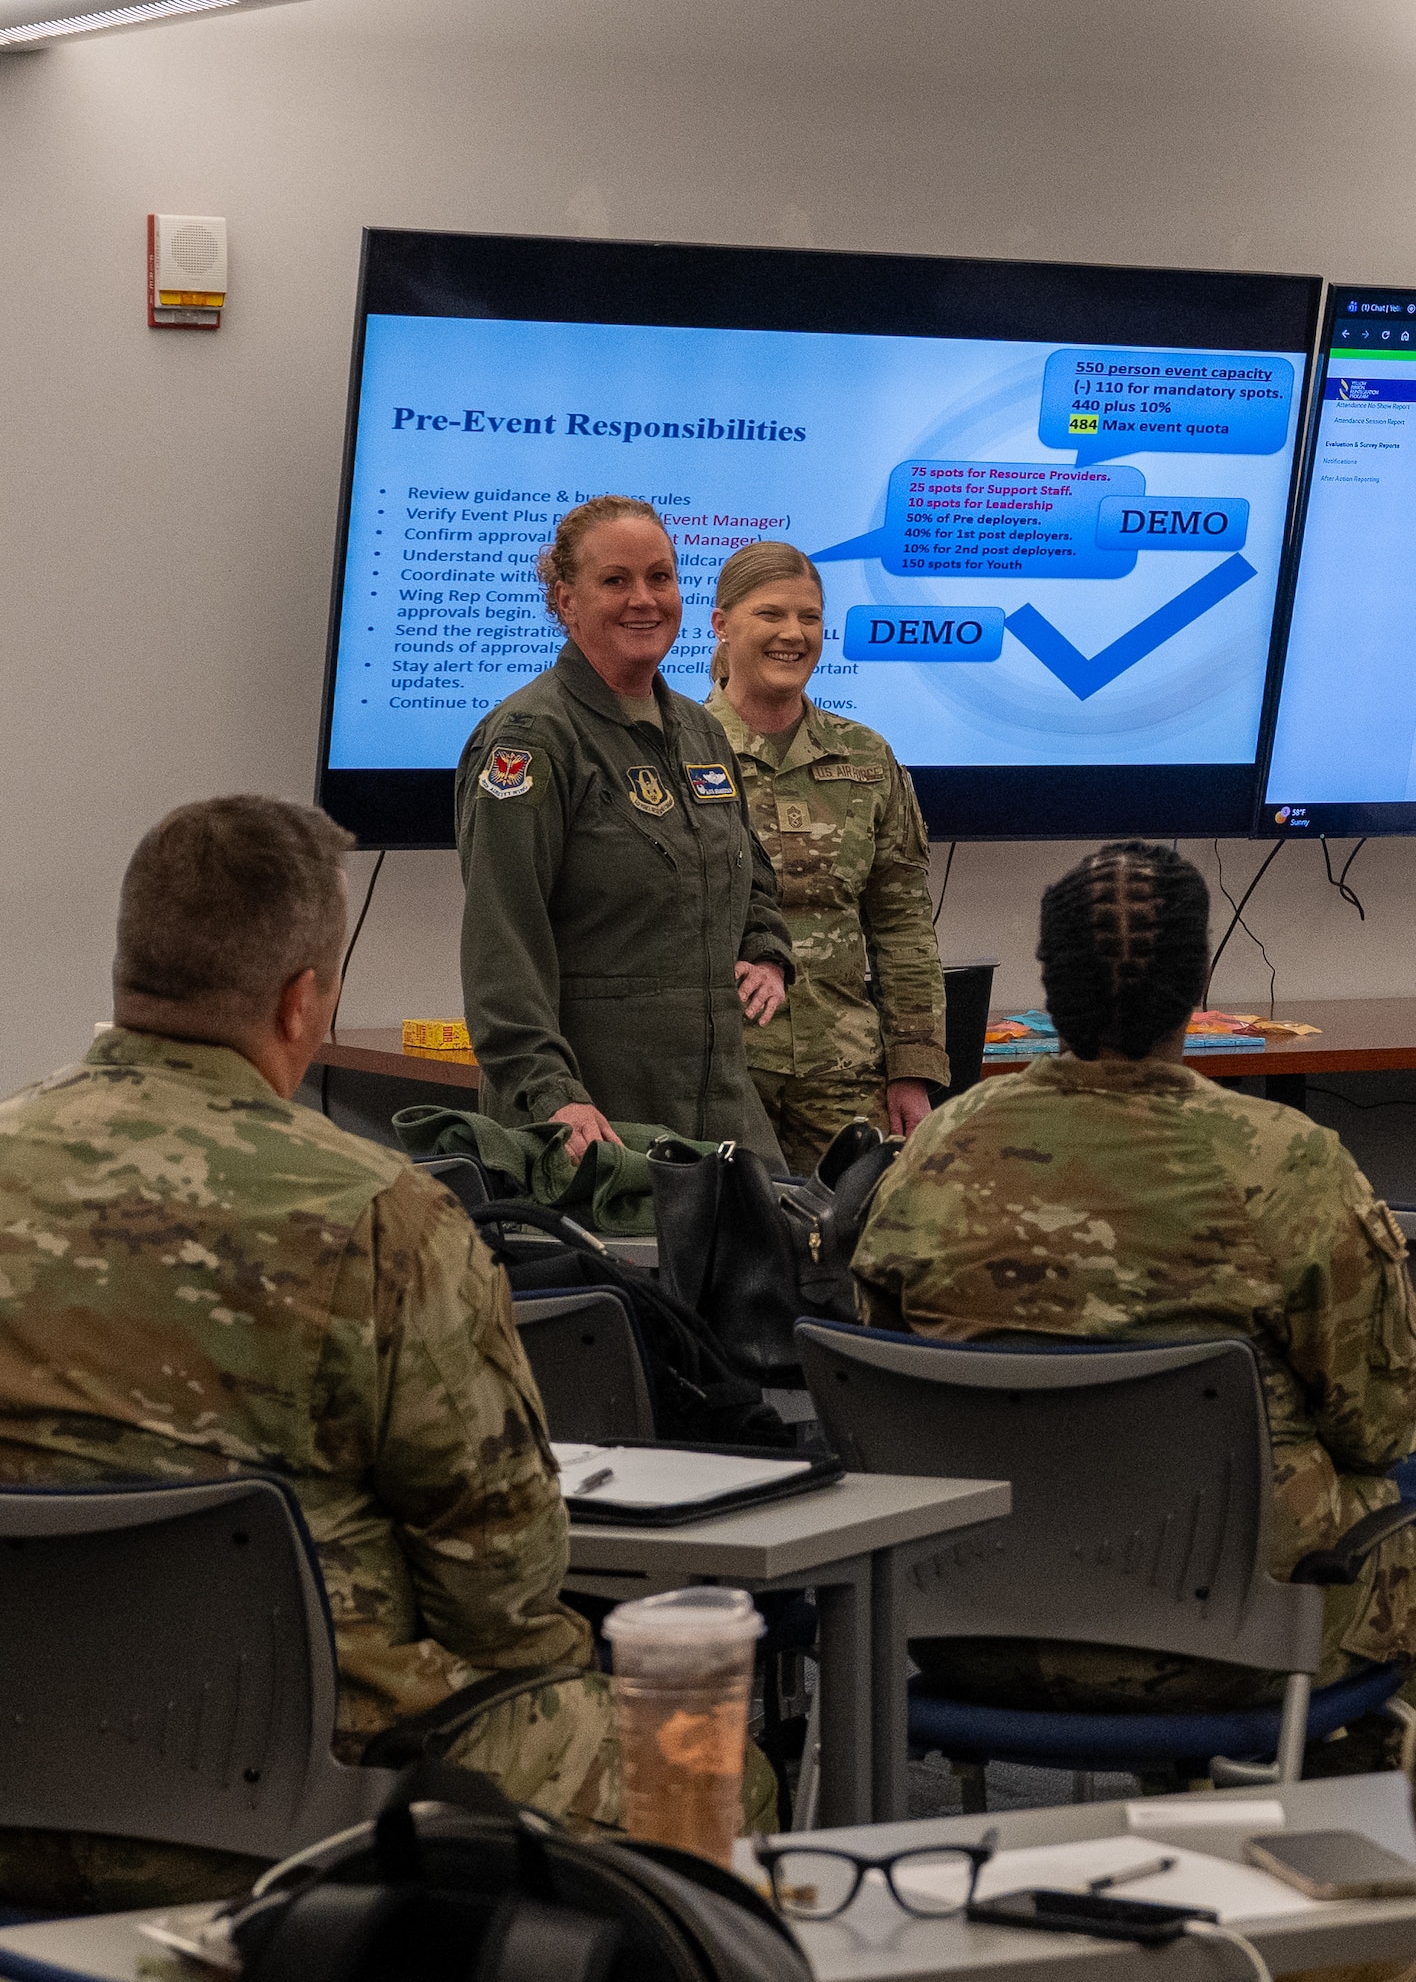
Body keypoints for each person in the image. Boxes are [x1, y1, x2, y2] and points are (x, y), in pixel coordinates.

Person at [0, 796, 631, 1911]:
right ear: (303, 1000)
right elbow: (502, 1587)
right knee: (696, 1752)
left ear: (127, 972)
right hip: (296, 1810)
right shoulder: (384, 1215)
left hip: (14, 1784)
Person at [852, 839, 1416, 1718]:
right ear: (1195, 989)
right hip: (1240, 1643)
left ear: (1049, 987)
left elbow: (879, 1388)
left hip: (961, 1632)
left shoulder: (931, 1155)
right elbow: (1379, 1428)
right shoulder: (1292, 1166)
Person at [456, 497, 794, 1167]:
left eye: (660, 577)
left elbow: (746, 873)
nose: (645, 600)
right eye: (615, 581)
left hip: (717, 1110)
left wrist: (765, 949)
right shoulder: (532, 739)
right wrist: (553, 1095)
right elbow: (503, 938)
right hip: (593, 1123)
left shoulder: (700, 733)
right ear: (566, 599)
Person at [704, 542, 948, 1174]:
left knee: (860, 1257)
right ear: (722, 626)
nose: (793, 634)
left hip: (846, 1076)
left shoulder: (866, 757)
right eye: (771, 615)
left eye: (809, 618)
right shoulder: (678, 751)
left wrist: (913, 1069)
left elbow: (903, 927)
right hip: (722, 1074)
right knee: (726, 1259)